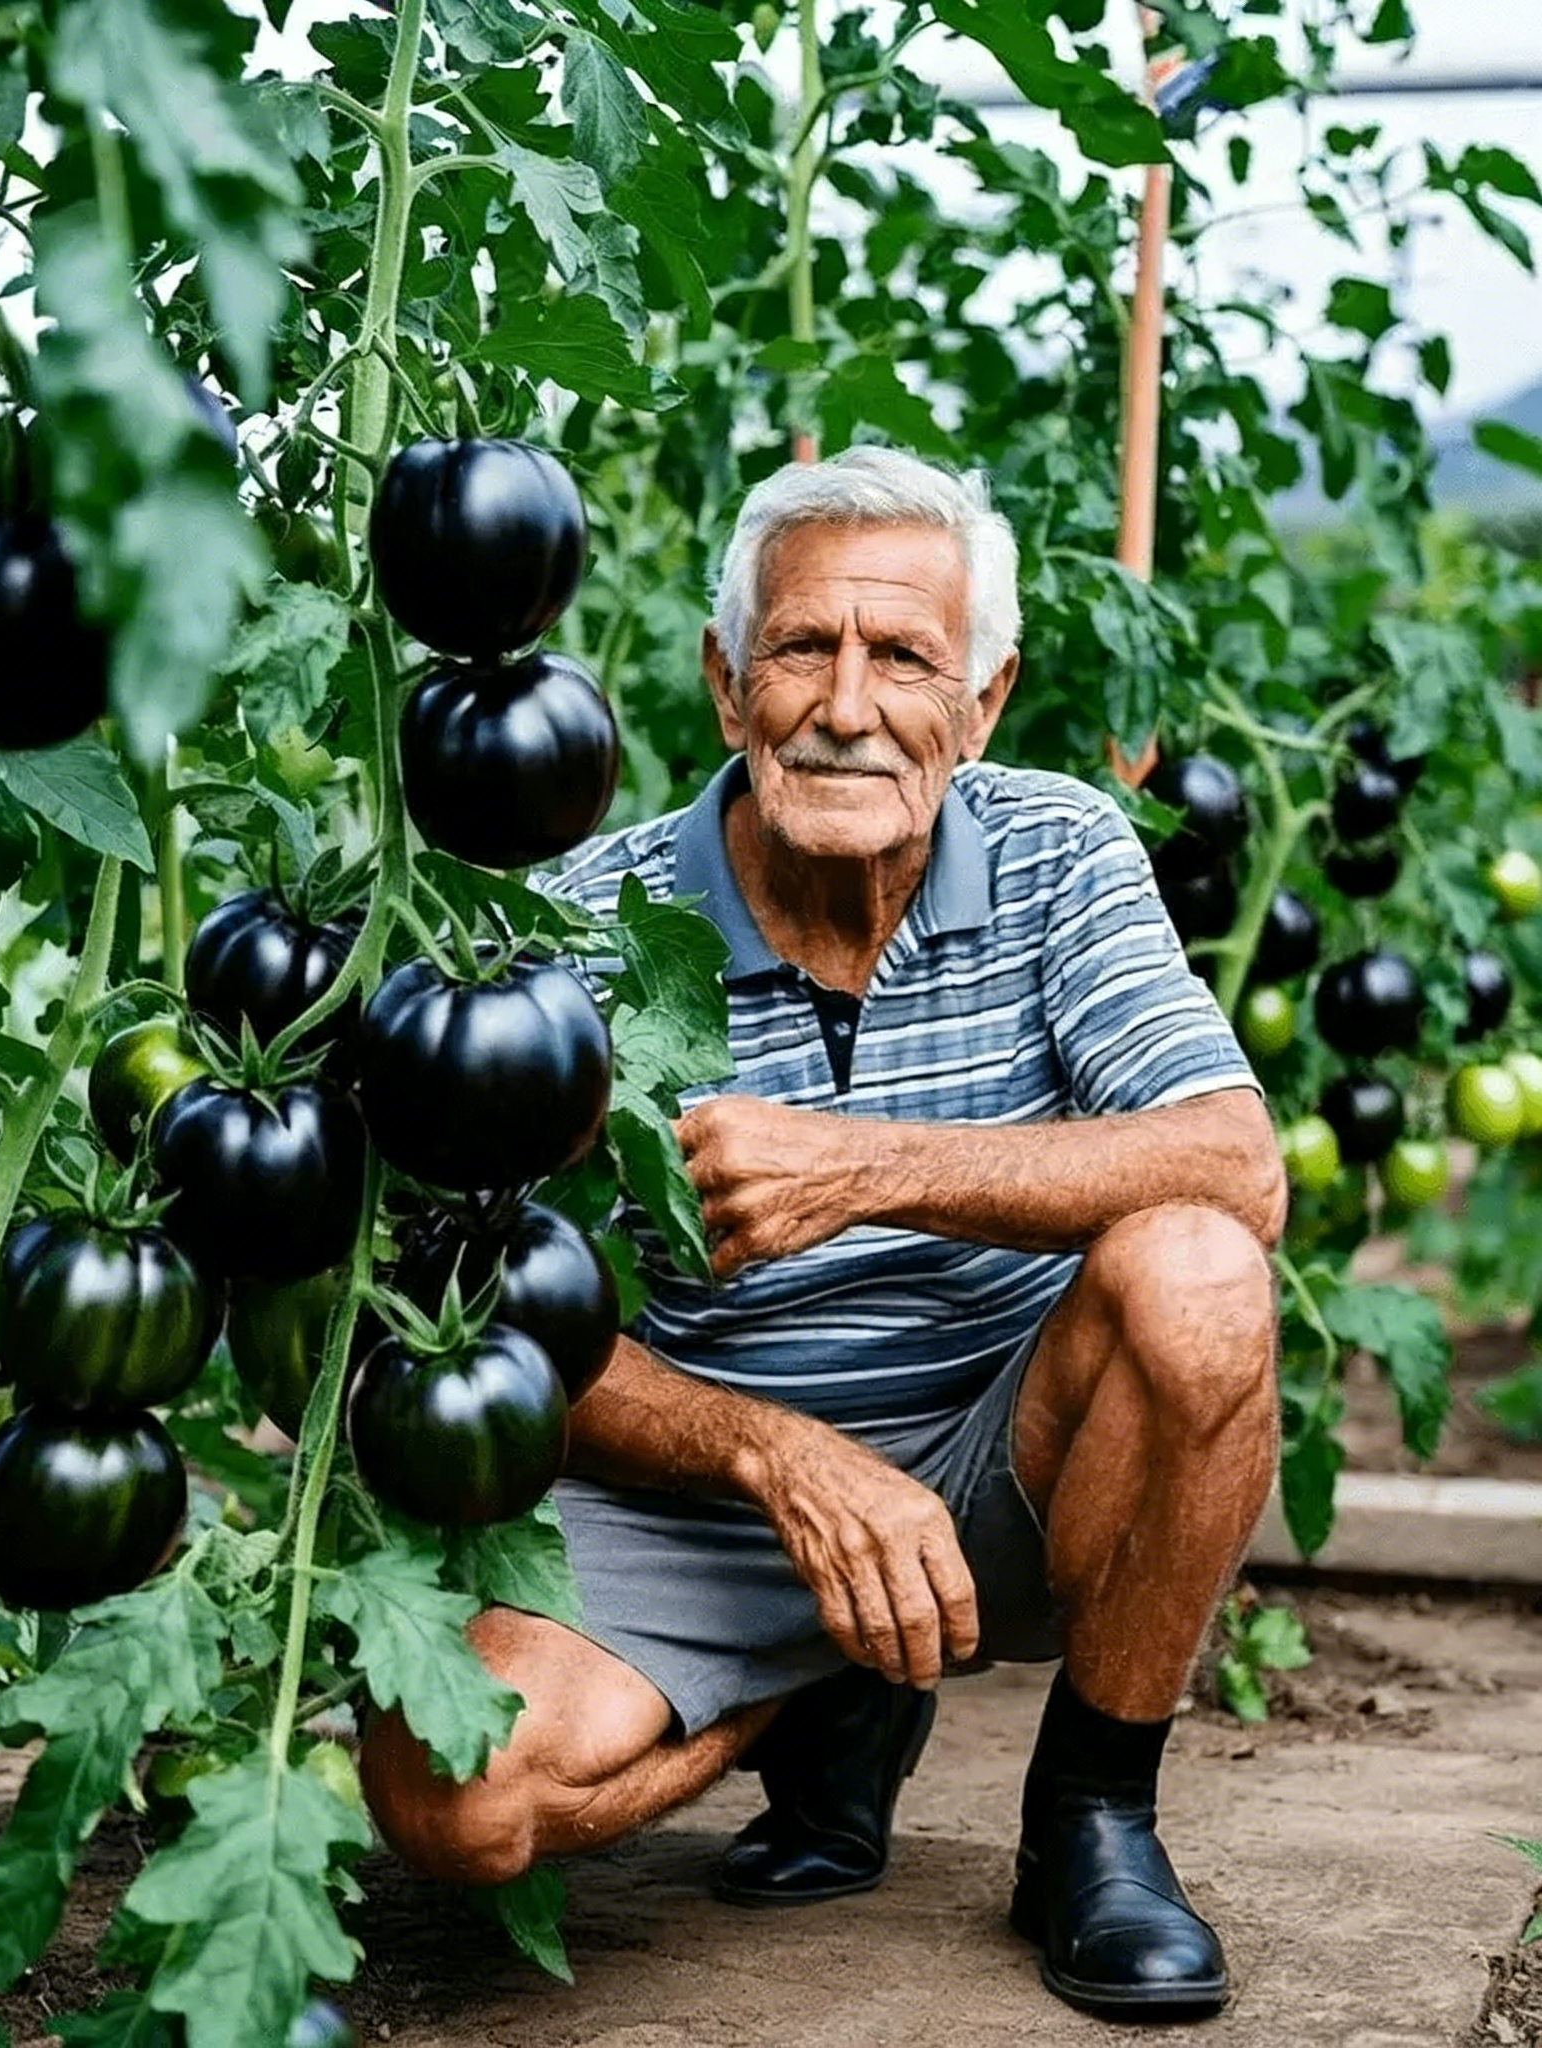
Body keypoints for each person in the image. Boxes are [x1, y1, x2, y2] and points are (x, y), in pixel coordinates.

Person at [358, 446, 1286, 2019]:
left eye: (905, 656)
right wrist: (777, 1462)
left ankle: (1093, 1818)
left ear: (981, 704)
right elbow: (479, 1324)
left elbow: (1237, 1162)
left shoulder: (1061, 852)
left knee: (1197, 1272)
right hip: (702, 1506)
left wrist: (863, 1168)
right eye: (802, 648)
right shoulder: (585, 929)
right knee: (458, 1799)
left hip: (1007, 1463)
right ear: (729, 686)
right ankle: (813, 1698)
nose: (846, 705)